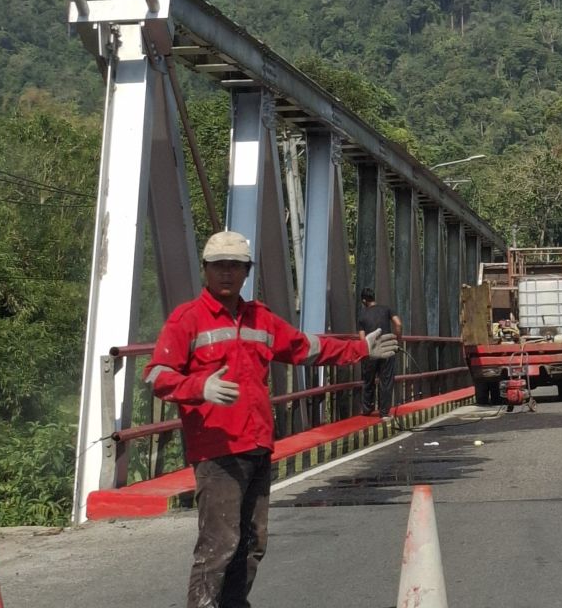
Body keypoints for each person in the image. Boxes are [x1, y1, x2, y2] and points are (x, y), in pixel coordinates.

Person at [143, 231, 399, 608]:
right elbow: (156, 374)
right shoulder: (188, 319)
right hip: (217, 452)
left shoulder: (259, 317)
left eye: (235, 266)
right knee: (219, 544)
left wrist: (360, 348)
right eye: (219, 266)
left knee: (251, 543)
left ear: (247, 271)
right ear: (205, 271)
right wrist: (198, 387)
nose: (227, 273)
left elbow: (304, 347)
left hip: (258, 445)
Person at [357, 287, 403, 416]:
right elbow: (398, 324)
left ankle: (367, 409)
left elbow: (362, 338)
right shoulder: (386, 309)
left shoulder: (362, 315)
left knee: (368, 380)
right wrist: (397, 341)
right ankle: (383, 412)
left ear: (364, 300)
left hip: (371, 351)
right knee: (386, 380)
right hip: (387, 349)